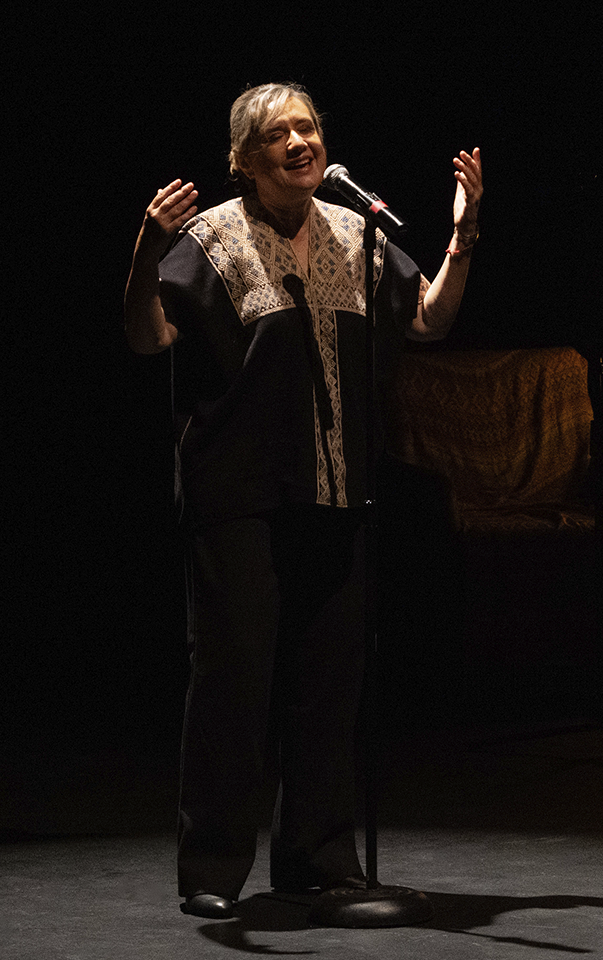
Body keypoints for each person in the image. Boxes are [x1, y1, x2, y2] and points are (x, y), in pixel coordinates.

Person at [123, 82, 482, 919]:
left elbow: (427, 321)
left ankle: (318, 860)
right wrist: (145, 252)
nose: (299, 141)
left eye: (308, 127)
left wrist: (462, 237)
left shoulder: (359, 235)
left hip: (338, 486)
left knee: (328, 681)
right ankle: (212, 870)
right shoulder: (210, 238)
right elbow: (147, 337)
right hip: (237, 494)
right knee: (234, 679)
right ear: (244, 159)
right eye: (278, 133)